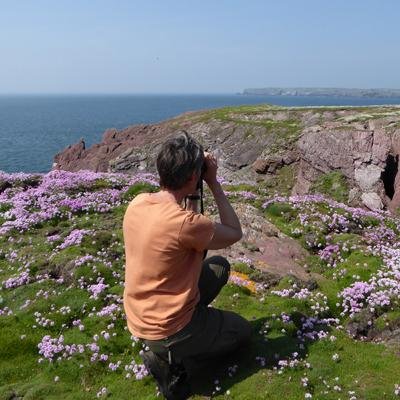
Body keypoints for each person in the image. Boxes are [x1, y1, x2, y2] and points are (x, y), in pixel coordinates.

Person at [122, 131, 251, 399]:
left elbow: (184, 235)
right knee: (241, 331)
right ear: (193, 177)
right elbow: (234, 232)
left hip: (139, 314)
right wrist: (213, 182)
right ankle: (172, 359)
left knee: (218, 267)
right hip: (168, 326)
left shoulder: (138, 203)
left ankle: (170, 345)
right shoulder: (186, 225)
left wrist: (193, 183)